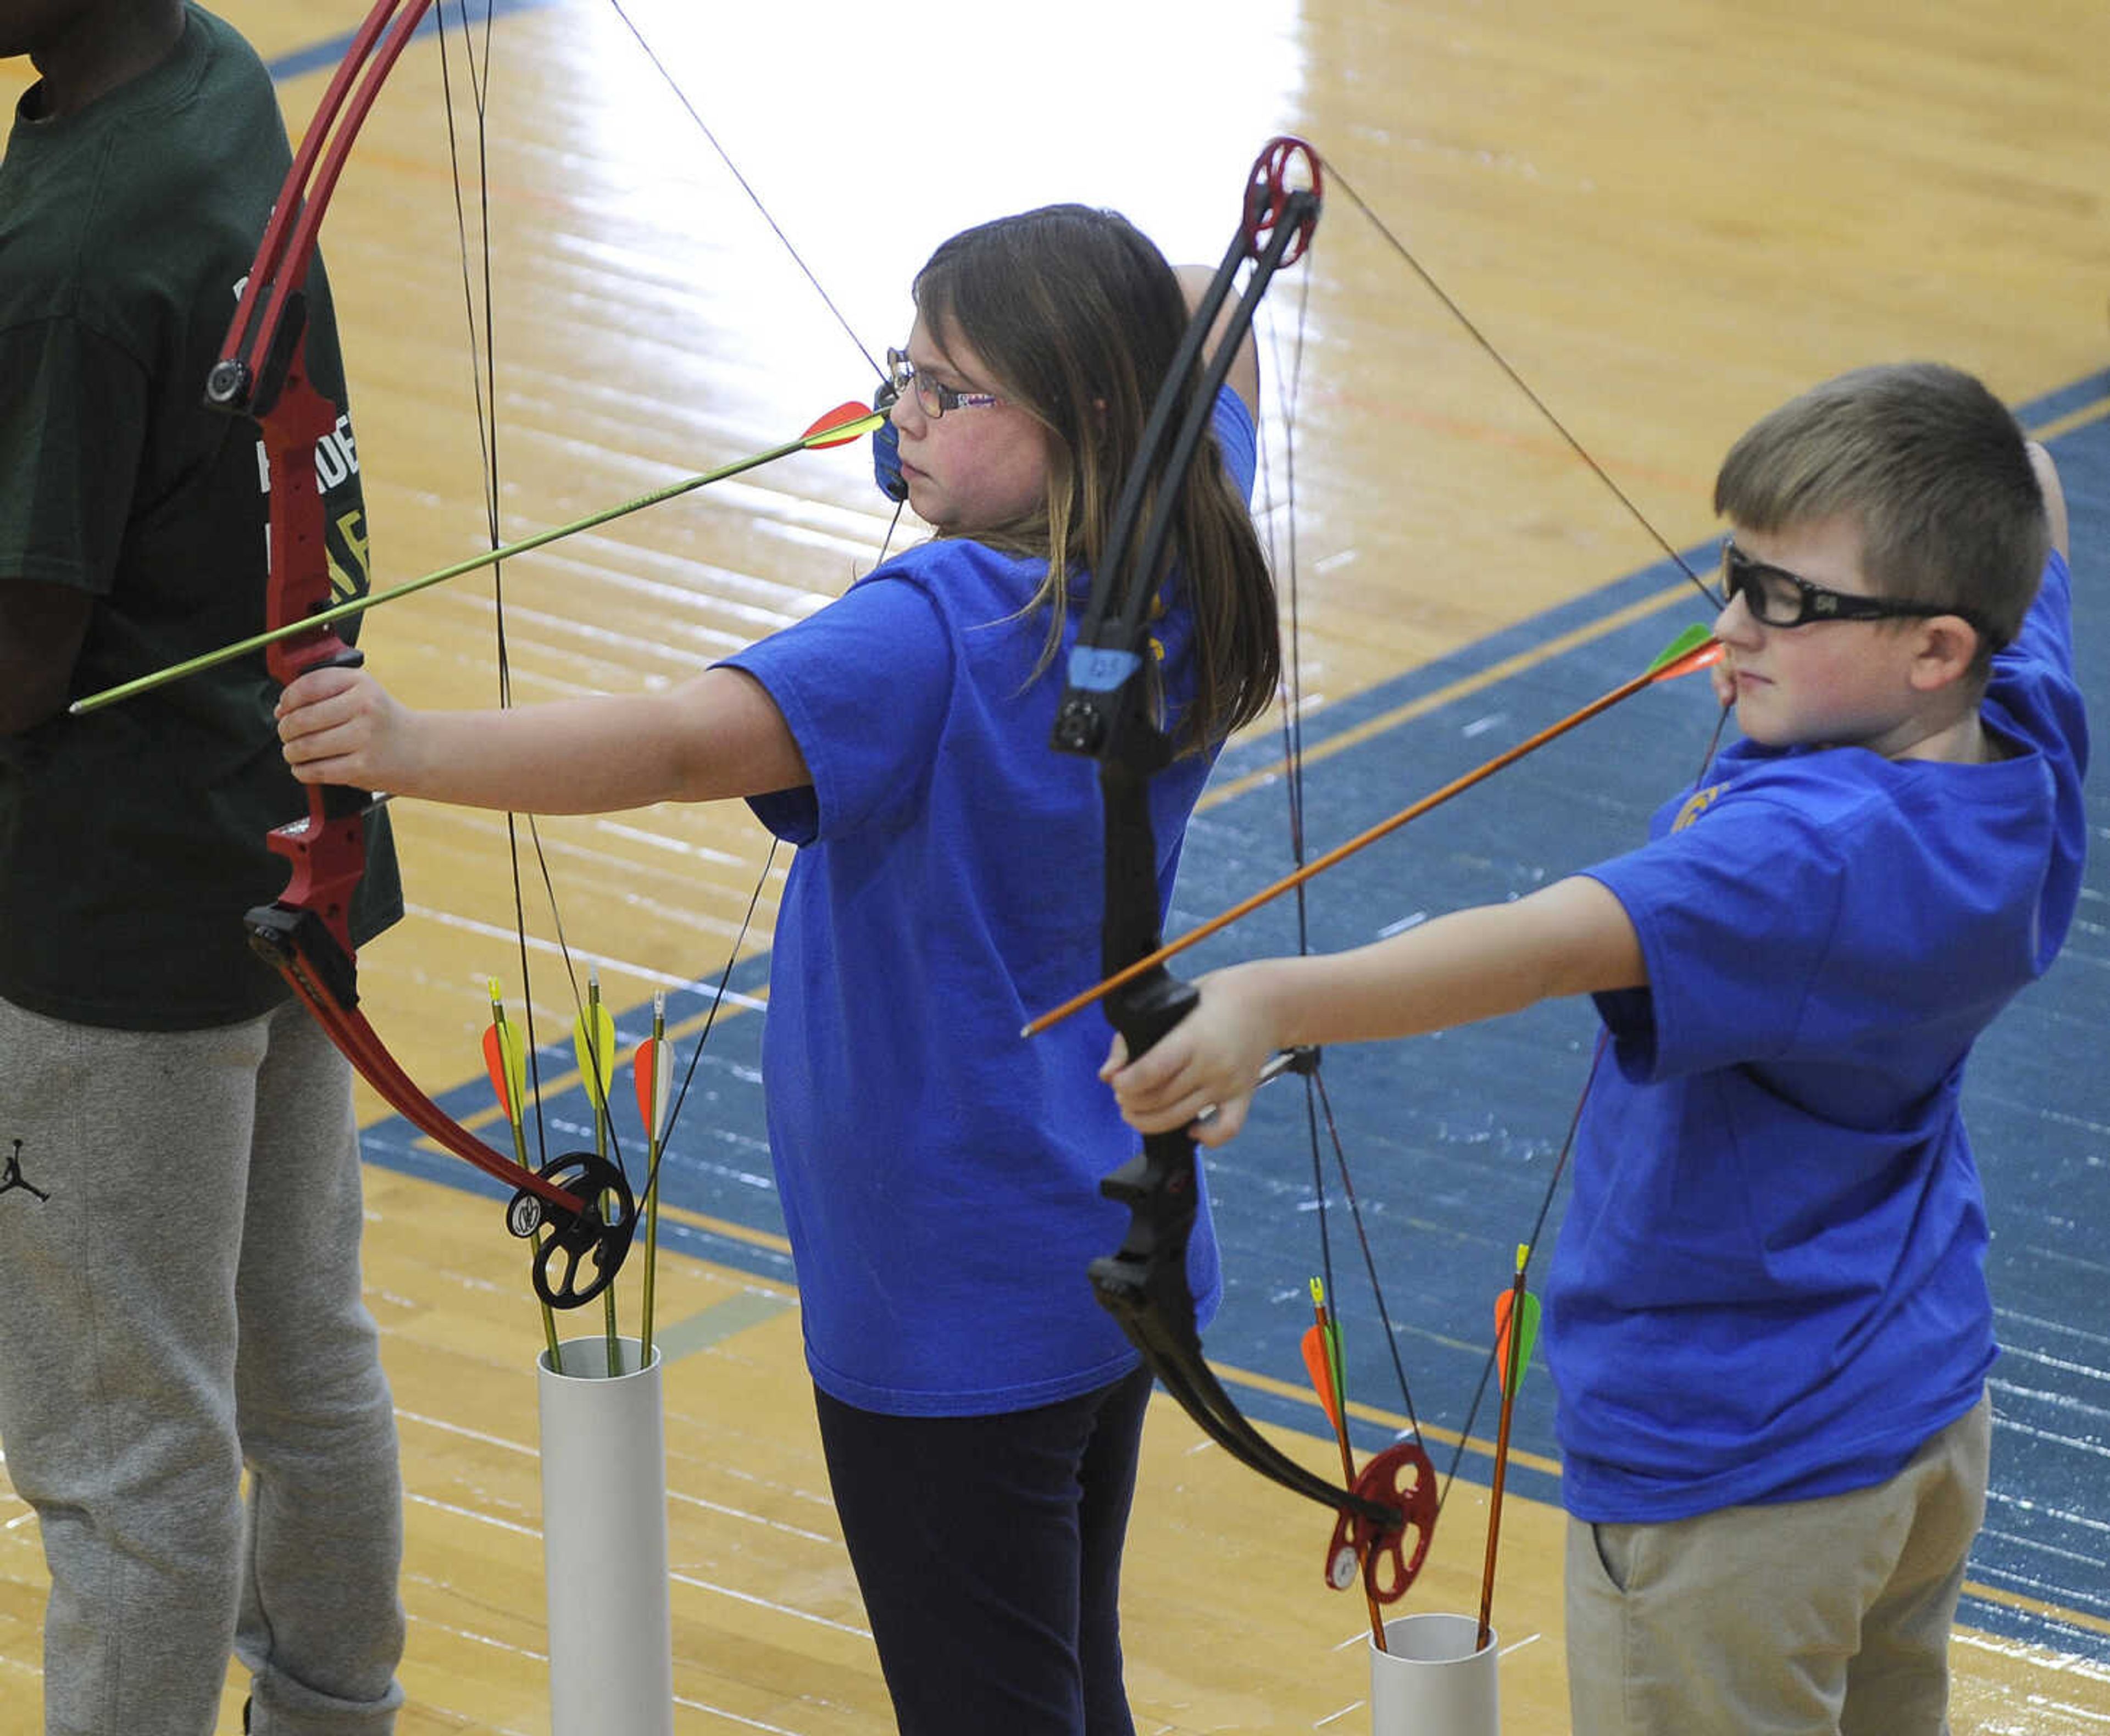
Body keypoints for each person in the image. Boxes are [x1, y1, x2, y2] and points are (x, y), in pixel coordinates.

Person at [271, 204, 1277, 1735]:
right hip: (1106, 1240)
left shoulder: (933, 631)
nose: (904, 416)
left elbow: (679, 743)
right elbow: (1214, 315)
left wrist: (408, 751)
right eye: (903, 379)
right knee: (1060, 1673)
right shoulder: (1187, 537)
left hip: (942, 1289)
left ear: (1082, 414)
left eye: (949, 392)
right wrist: (980, 420)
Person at [1103, 361, 2085, 1735]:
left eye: (1789, 603)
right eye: (1737, 573)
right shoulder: (2020, 720)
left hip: (1738, 1478)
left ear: (1932, 645)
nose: (1732, 627)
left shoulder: (1800, 860)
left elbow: (1546, 941)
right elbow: (2024, 478)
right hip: (1912, 1408)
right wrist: (1924, 460)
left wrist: (1267, 998)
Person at [0, 4, 408, 1733]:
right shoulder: (217, 72)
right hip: (288, 837)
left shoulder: (79, 255)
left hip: (114, 926)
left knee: (124, 1456)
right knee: (300, 1358)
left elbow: (20, 652)